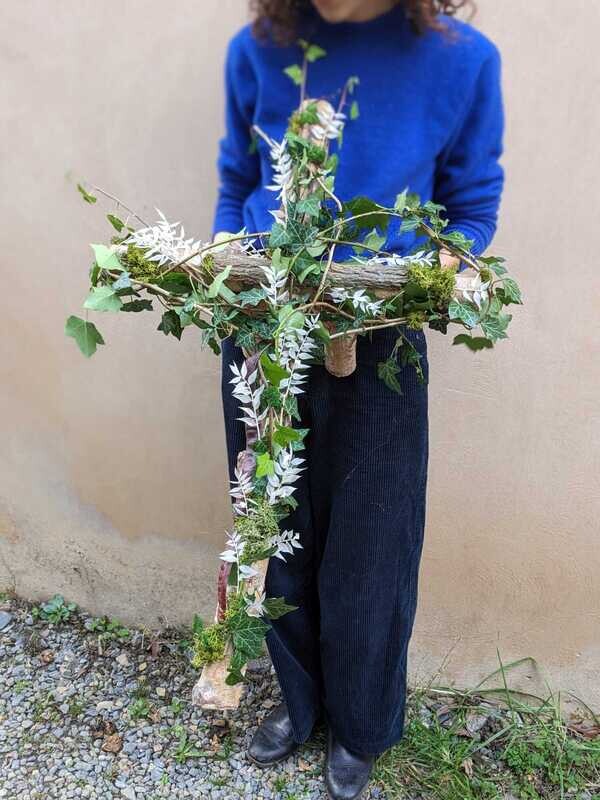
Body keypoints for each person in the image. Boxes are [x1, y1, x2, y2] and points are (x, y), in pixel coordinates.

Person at [212, 1, 504, 797]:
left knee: (373, 545)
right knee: (272, 530)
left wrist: (432, 276)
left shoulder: (464, 61)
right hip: (262, 327)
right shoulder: (259, 49)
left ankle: (362, 724)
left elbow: (472, 209)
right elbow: (237, 181)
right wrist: (227, 271)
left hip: (378, 340)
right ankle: (299, 702)